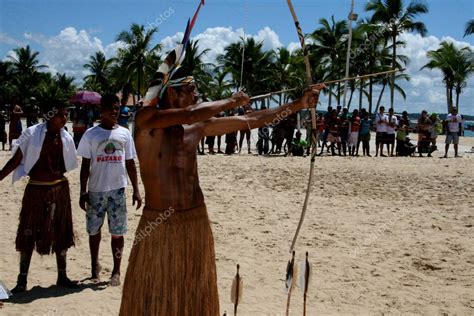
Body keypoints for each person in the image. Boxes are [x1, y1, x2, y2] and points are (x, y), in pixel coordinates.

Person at [118, 45, 324, 315]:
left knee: (193, 289)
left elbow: (248, 120)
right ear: (173, 92)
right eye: (192, 91)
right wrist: (229, 101)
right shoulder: (146, 123)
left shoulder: (198, 126)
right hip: (158, 224)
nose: (197, 95)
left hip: (195, 220)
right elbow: (191, 113)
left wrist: (296, 105)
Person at [0, 100, 78, 293]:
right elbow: (16, 160)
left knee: (62, 232)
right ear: (50, 115)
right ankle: (22, 280)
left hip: (59, 189)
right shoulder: (32, 134)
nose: (65, 118)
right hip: (35, 190)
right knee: (27, 233)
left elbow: (67, 164)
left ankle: (62, 275)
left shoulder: (65, 138)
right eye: (61, 114)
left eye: (66, 114)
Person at [77, 94, 142, 286]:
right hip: (96, 191)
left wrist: (137, 190)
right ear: (101, 110)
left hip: (118, 191)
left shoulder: (124, 133)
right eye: (111, 108)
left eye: (117, 108)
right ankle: (94, 267)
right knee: (94, 232)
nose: (115, 112)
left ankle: (116, 271)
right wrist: (83, 191)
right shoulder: (91, 134)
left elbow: (130, 163)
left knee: (118, 232)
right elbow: (85, 165)